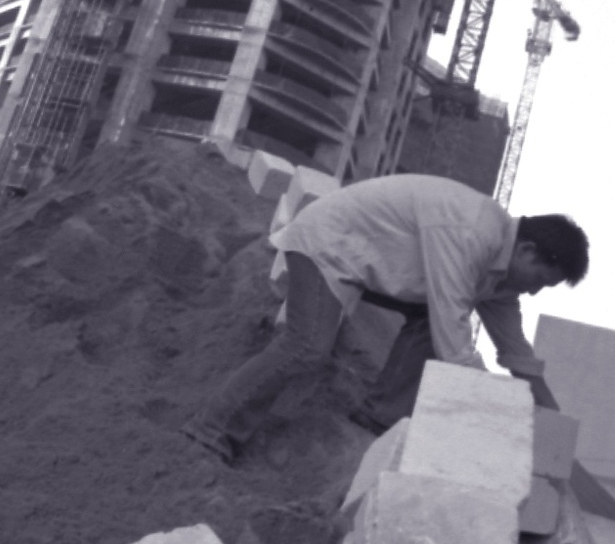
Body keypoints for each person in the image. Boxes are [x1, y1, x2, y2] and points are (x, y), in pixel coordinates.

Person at [183, 173, 589, 464]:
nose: (534, 291)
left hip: (374, 261)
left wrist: (554, 424)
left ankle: (379, 413)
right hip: (331, 243)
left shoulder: (502, 278)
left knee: (434, 322)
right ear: (529, 252)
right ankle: (211, 429)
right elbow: (454, 344)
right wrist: (500, 423)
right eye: (540, 280)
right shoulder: (472, 233)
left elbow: (517, 354)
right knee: (307, 347)